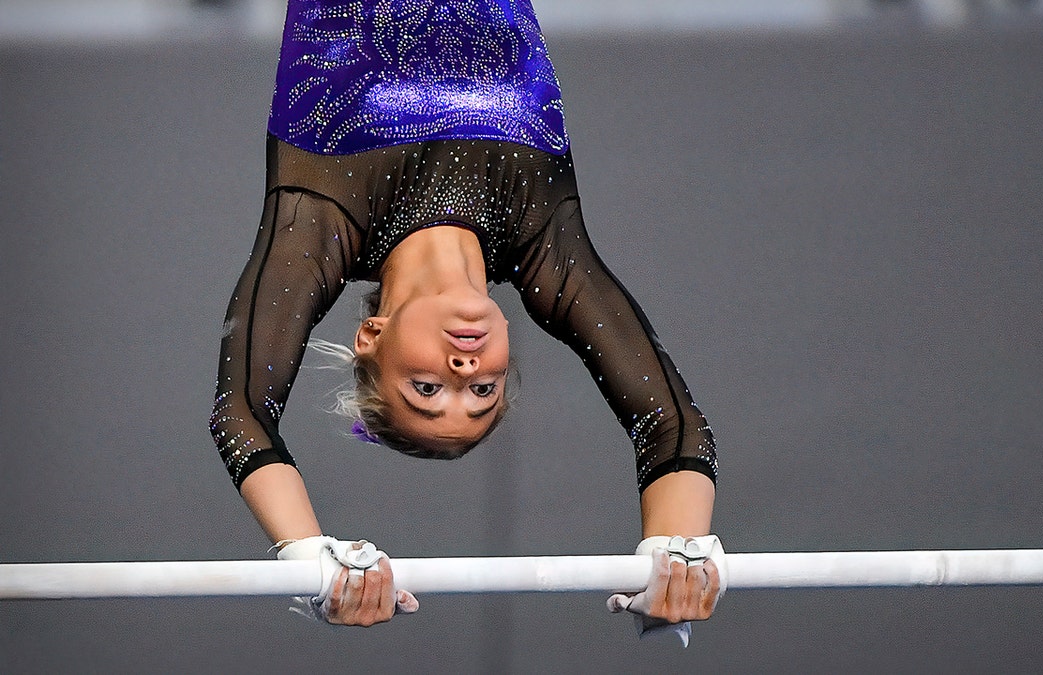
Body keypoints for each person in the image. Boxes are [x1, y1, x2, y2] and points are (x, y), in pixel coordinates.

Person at [210, 0, 721, 640]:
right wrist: (679, 553)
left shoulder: (319, 225)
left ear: (371, 336)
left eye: (427, 390)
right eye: (483, 391)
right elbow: (671, 421)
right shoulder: (548, 249)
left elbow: (242, 412)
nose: (464, 369)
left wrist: (311, 563)